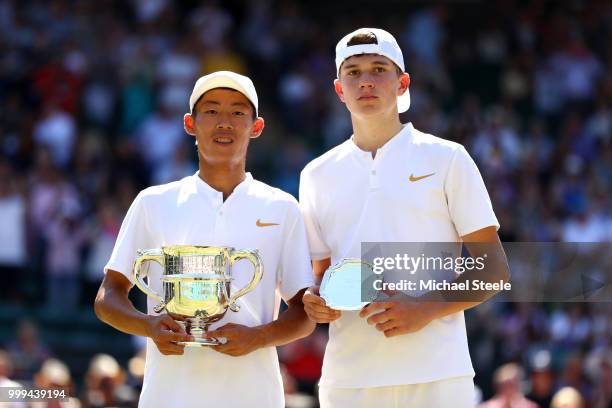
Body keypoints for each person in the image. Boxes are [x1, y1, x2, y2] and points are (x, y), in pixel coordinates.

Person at [300, 28, 510, 407]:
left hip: (439, 375)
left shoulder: (448, 158)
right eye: (353, 71)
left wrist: (425, 309)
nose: (365, 80)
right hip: (349, 380)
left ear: (402, 83)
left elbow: (493, 269)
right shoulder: (315, 174)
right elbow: (321, 274)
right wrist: (316, 300)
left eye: (379, 69)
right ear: (338, 88)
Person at [95, 71, 315, 407]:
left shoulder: (283, 207)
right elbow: (108, 296)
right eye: (211, 110)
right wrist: (149, 326)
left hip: (254, 396)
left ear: (256, 127)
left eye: (238, 112)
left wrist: (258, 337)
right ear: (190, 124)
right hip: (168, 396)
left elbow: (303, 312)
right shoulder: (153, 202)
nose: (224, 122)